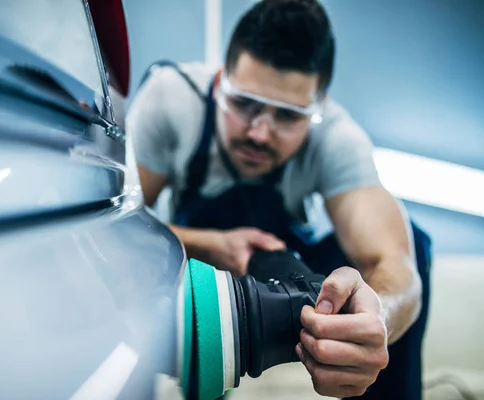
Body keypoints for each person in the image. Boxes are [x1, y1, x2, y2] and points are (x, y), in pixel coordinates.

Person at [127, 0, 432, 398]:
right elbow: (121, 224)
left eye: (287, 116)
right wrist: (211, 245)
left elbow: (396, 264)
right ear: (220, 82)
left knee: (416, 243)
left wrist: (378, 321)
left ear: (317, 107)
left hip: (279, 264)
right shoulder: (171, 99)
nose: (259, 133)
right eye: (244, 104)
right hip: (191, 256)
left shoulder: (338, 140)